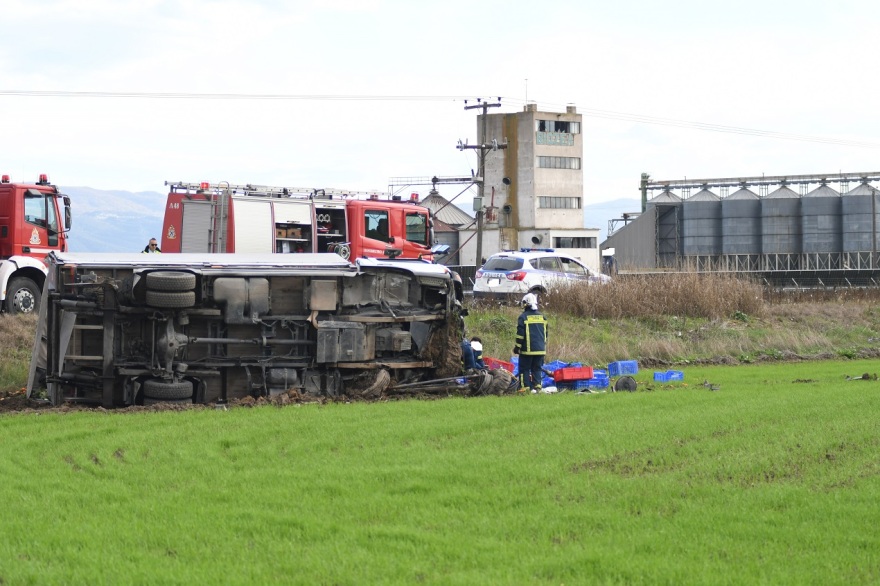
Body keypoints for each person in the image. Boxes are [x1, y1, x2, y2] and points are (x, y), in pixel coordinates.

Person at [513, 293, 548, 393]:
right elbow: (546, 334)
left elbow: (520, 334)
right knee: (537, 369)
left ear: (526, 304)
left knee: (524, 369)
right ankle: (537, 387)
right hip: (541, 350)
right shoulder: (543, 317)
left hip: (527, 350)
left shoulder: (523, 317)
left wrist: (517, 347)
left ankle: (525, 388)